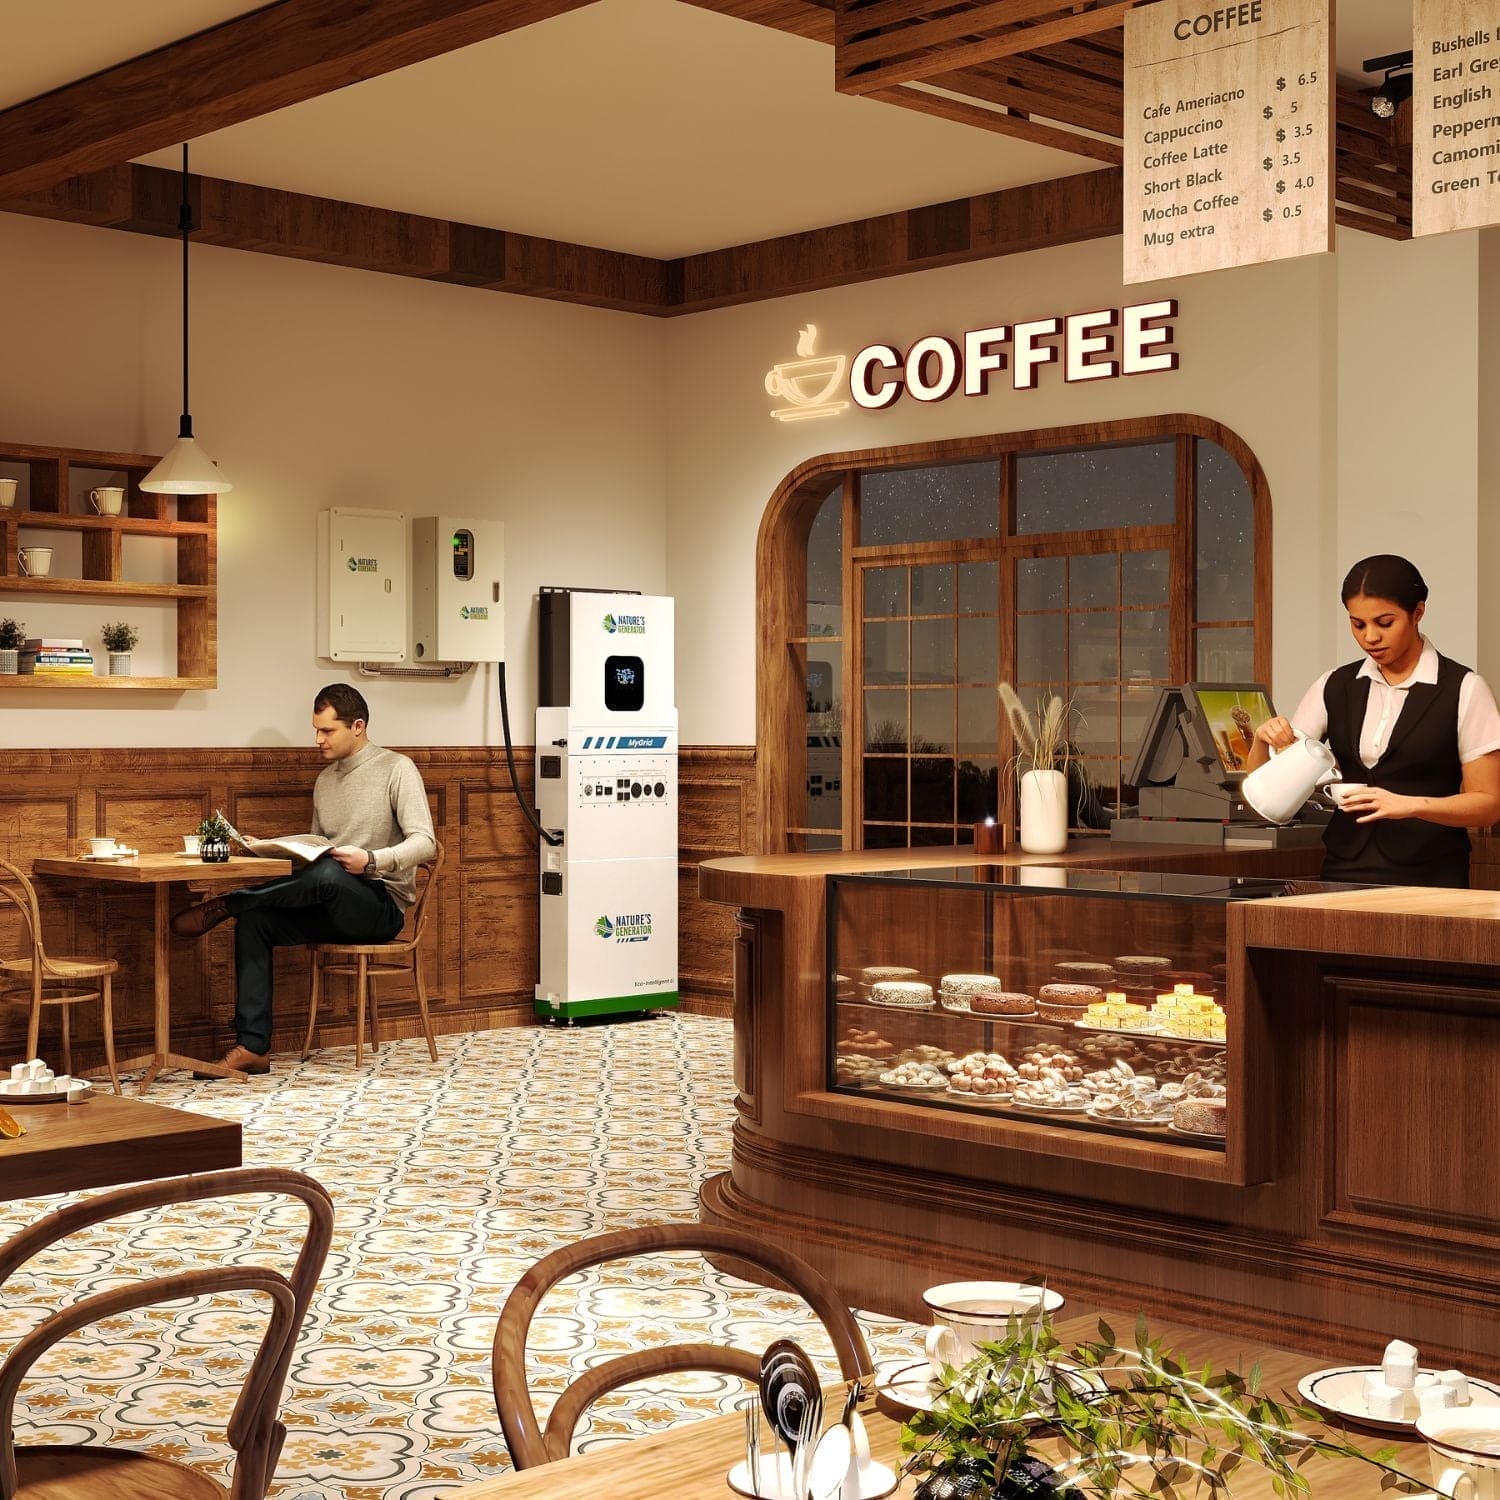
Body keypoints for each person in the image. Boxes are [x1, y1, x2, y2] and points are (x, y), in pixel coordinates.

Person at [172, 683, 437, 1073]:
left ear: (358, 726)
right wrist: (271, 850)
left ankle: (231, 902)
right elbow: (316, 850)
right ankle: (252, 1047)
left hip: (379, 906)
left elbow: (426, 843)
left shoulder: (397, 769)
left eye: (327, 730)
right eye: (315, 730)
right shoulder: (325, 781)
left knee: (327, 873)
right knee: (256, 921)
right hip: (328, 898)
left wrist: (371, 860)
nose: (317, 740)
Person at [1247, 554, 1500, 888]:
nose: (1370, 637)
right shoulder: (1334, 685)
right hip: (1343, 871)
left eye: (1385, 623)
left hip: (1431, 876)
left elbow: (1489, 803)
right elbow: (1269, 789)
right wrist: (1261, 740)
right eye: (1358, 624)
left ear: (1418, 613)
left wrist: (1409, 806)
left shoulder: (1464, 689)